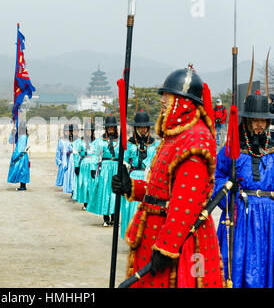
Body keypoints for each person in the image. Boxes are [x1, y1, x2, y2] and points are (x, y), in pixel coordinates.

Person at [112, 66, 225, 288]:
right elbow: (162, 188)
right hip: (156, 230)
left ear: (184, 101)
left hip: (180, 242)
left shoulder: (195, 139)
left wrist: (167, 246)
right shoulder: (175, 136)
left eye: (167, 95)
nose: (163, 100)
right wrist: (132, 188)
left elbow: (185, 202)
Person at [213, 92, 274, 288]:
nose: (259, 125)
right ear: (246, 121)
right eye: (254, 120)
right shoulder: (232, 149)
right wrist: (230, 196)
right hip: (240, 216)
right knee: (238, 264)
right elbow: (216, 177)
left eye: (263, 120)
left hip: (269, 218)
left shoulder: (272, 149)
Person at [120, 110, 160, 237]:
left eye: (144, 127)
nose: (142, 130)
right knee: (131, 210)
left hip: (148, 179)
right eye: (140, 127)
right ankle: (131, 235)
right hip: (133, 177)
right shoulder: (129, 144)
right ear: (136, 127)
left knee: (146, 210)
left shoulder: (155, 144)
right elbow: (124, 161)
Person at [86, 116, 120, 227]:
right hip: (105, 168)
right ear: (106, 128)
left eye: (112, 127)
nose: (111, 128)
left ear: (115, 128)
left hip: (116, 167)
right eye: (108, 127)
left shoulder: (120, 140)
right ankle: (105, 218)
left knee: (115, 192)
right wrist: (93, 168)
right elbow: (95, 155)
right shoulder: (100, 141)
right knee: (105, 192)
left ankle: (114, 218)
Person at [76, 121, 97, 210]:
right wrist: (76, 165)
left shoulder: (96, 141)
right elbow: (77, 154)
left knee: (92, 183)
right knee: (85, 183)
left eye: (90, 130)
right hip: (84, 164)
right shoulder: (81, 142)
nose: (88, 132)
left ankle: (92, 202)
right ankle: (85, 203)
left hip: (93, 163)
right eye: (87, 130)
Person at [8, 121, 30, 191]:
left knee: (22, 170)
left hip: (21, 155)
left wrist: (15, 156)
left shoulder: (23, 137)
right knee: (21, 170)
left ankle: (23, 186)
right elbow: (11, 141)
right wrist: (12, 134)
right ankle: (22, 185)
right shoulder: (20, 136)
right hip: (20, 155)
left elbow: (20, 148)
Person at [55, 124, 70, 189]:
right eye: (66, 131)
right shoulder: (60, 141)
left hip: (68, 159)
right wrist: (59, 161)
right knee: (62, 171)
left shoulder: (70, 140)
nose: (67, 132)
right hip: (62, 159)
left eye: (68, 131)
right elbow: (58, 151)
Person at [71, 123, 84, 201]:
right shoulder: (69, 140)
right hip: (71, 160)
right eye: (74, 131)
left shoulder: (80, 141)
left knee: (77, 178)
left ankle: (76, 193)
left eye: (76, 131)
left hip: (78, 160)